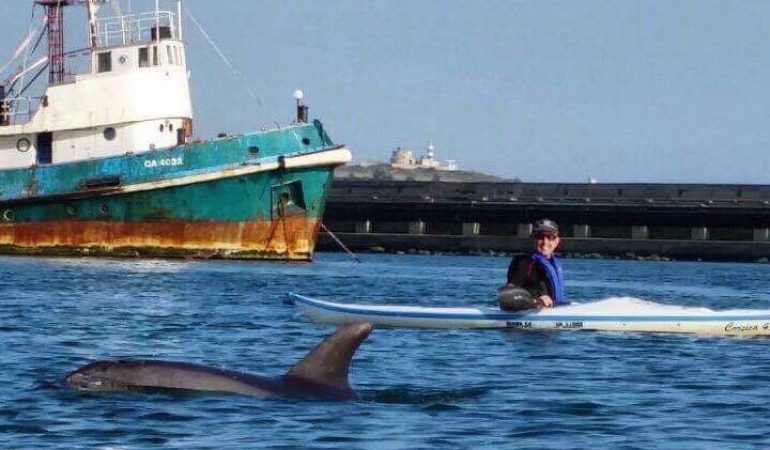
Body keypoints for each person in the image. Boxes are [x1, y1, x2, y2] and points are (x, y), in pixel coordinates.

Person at [498, 219, 567, 311]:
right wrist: (535, 302)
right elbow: (507, 297)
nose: (545, 242)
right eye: (540, 237)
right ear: (533, 239)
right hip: (528, 315)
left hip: (554, 310)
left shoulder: (554, 264)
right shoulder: (523, 263)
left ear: (557, 241)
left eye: (550, 237)